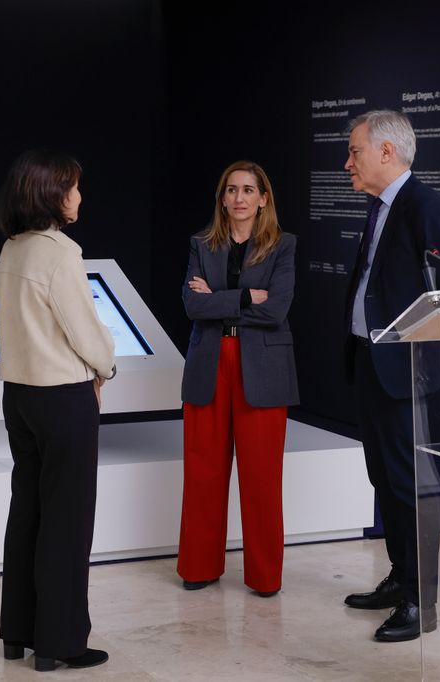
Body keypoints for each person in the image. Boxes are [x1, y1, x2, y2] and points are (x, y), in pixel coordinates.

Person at [340, 110, 440, 641]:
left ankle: (422, 602)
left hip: (406, 372)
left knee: (410, 486)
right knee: (384, 479)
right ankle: (400, 577)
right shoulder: (381, 207)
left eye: (355, 152)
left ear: (386, 152)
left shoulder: (426, 207)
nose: (348, 162)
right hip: (375, 364)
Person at [0, 150, 116, 672]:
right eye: (74, 187)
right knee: (67, 522)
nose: (80, 196)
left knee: (27, 513)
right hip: (62, 397)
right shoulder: (60, 253)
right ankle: (59, 644)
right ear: (51, 193)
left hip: (18, 396)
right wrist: (105, 368)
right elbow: (86, 333)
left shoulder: (12, 249)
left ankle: (17, 633)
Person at [178, 160, 299, 598]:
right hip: (210, 361)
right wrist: (247, 296)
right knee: (203, 471)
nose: (239, 198)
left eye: (249, 190)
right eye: (231, 190)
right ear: (222, 197)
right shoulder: (201, 244)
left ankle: (264, 576)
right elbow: (192, 306)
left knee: (261, 477)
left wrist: (221, 301)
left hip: (262, 366)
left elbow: (277, 309)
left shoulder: (283, 246)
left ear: (263, 198)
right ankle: (198, 565)